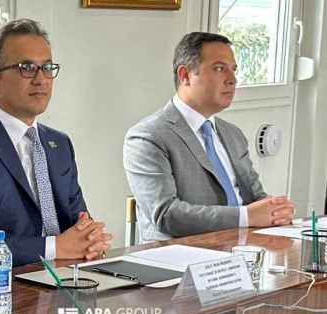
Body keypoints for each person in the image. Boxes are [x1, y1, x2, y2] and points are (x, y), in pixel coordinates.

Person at [0, 19, 111, 275]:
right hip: (1, 291)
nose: (41, 80)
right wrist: (55, 247)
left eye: (47, 67)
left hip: (68, 279)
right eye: (27, 68)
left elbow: (78, 222)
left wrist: (90, 238)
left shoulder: (59, 143)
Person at [124, 32, 295, 243]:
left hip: (242, 251)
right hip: (178, 258)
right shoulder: (148, 137)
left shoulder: (232, 134)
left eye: (233, 70)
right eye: (219, 69)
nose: (233, 80)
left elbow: (254, 197)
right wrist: (248, 216)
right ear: (185, 75)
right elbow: (166, 214)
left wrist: (276, 210)